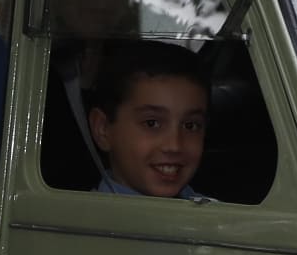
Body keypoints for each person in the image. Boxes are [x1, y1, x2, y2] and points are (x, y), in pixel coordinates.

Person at [87, 40, 210, 199]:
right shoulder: (87, 221)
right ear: (102, 129)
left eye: (190, 125)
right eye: (152, 123)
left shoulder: (214, 214)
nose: (174, 146)